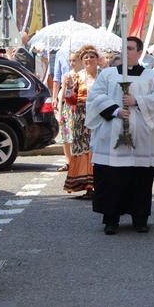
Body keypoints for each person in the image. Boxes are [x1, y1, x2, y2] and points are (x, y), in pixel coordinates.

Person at [86, 37, 154, 235]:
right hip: (112, 135)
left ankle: (140, 219)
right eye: (124, 48)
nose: (126, 52)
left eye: (131, 48)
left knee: (140, 179)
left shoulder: (152, 76)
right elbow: (94, 97)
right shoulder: (107, 74)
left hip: (142, 138)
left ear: (140, 53)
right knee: (112, 179)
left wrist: (137, 100)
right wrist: (115, 110)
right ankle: (111, 219)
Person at [63, 45, 100, 198]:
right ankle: (88, 187)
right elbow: (71, 100)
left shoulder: (104, 75)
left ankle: (101, 184)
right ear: (82, 60)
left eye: (92, 56)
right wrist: (69, 86)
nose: (89, 59)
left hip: (100, 115)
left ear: (97, 59)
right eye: (86, 57)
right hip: (82, 117)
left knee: (98, 147)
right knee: (84, 147)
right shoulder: (77, 76)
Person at [56, 51, 82, 172]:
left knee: (77, 135)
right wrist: (59, 113)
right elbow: (62, 95)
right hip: (68, 108)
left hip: (78, 107)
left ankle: (77, 161)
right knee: (66, 135)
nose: (72, 63)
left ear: (80, 61)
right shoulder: (67, 75)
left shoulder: (83, 75)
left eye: (74, 60)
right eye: (70, 60)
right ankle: (68, 161)